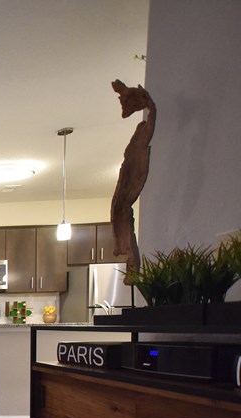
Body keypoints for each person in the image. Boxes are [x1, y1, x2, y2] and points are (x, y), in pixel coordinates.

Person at [110, 79, 156, 284]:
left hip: (133, 173)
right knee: (121, 208)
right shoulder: (141, 136)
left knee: (121, 208)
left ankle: (132, 261)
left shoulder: (142, 136)